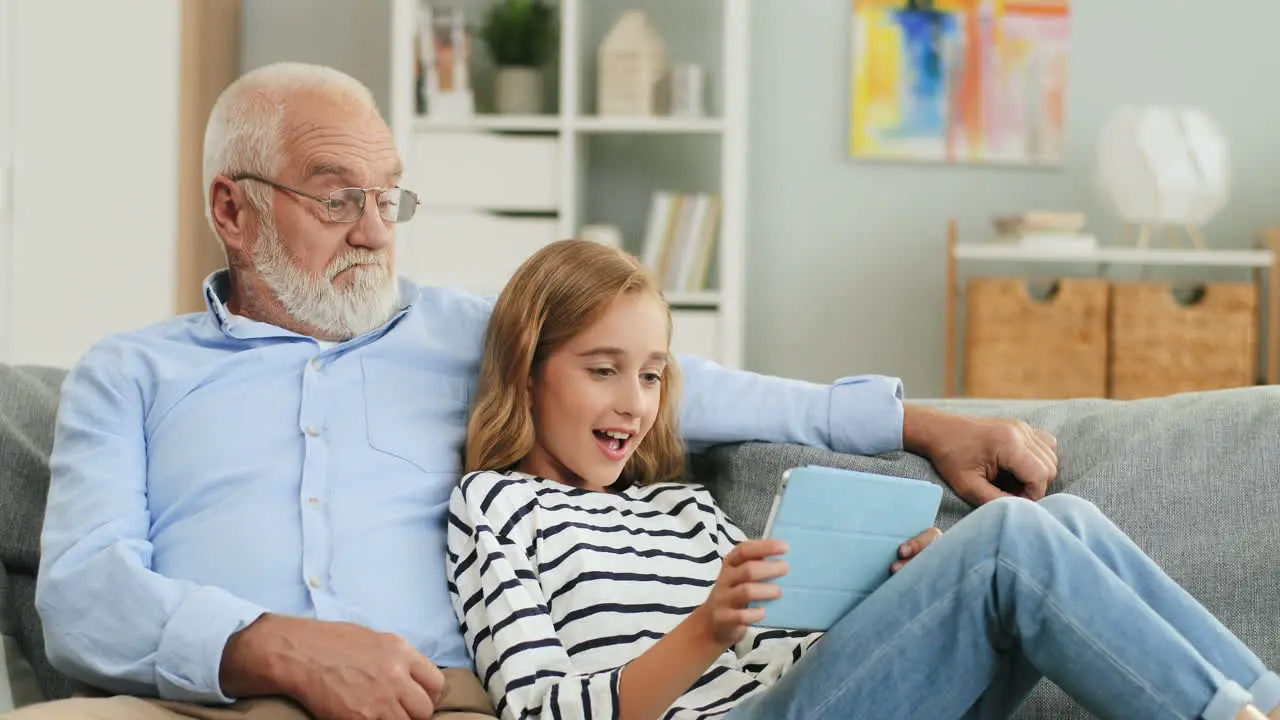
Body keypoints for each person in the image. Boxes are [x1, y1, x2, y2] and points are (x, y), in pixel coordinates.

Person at [12, 61, 1057, 720]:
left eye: (388, 198)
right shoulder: (132, 374)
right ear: (232, 211)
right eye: (339, 200)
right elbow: (81, 596)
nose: (375, 230)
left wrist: (916, 421)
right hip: (200, 702)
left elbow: (681, 386)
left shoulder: (469, 330)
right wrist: (270, 645)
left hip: (452, 705)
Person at [447, 238, 1280, 720]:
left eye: (654, 376)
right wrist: (703, 629)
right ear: (528, 372)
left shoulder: (680, 504)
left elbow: (794, 650)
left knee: (1063, 523)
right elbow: (539, 712)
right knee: (1010, 545)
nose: (633, 404)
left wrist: (897, 596)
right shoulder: (494, 508)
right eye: (603, 370)